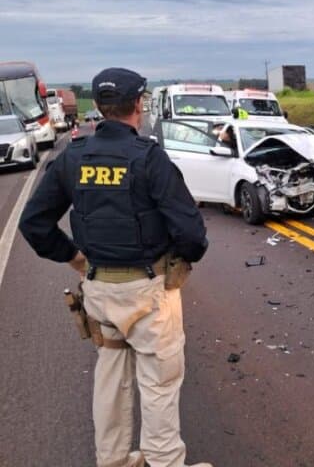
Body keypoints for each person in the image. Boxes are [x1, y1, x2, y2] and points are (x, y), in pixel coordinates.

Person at [19, 68, 212, 467]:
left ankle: (114, 460)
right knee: (158, 382)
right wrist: (178, 262)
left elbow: (34, 223)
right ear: (138, 105)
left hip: (99, 292)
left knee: (110, 377)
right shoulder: (149, 158)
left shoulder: (72, 157)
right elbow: (191, 233)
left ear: (99, 108)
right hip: (148, 293)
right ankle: (164, 462)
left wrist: (75, 259)